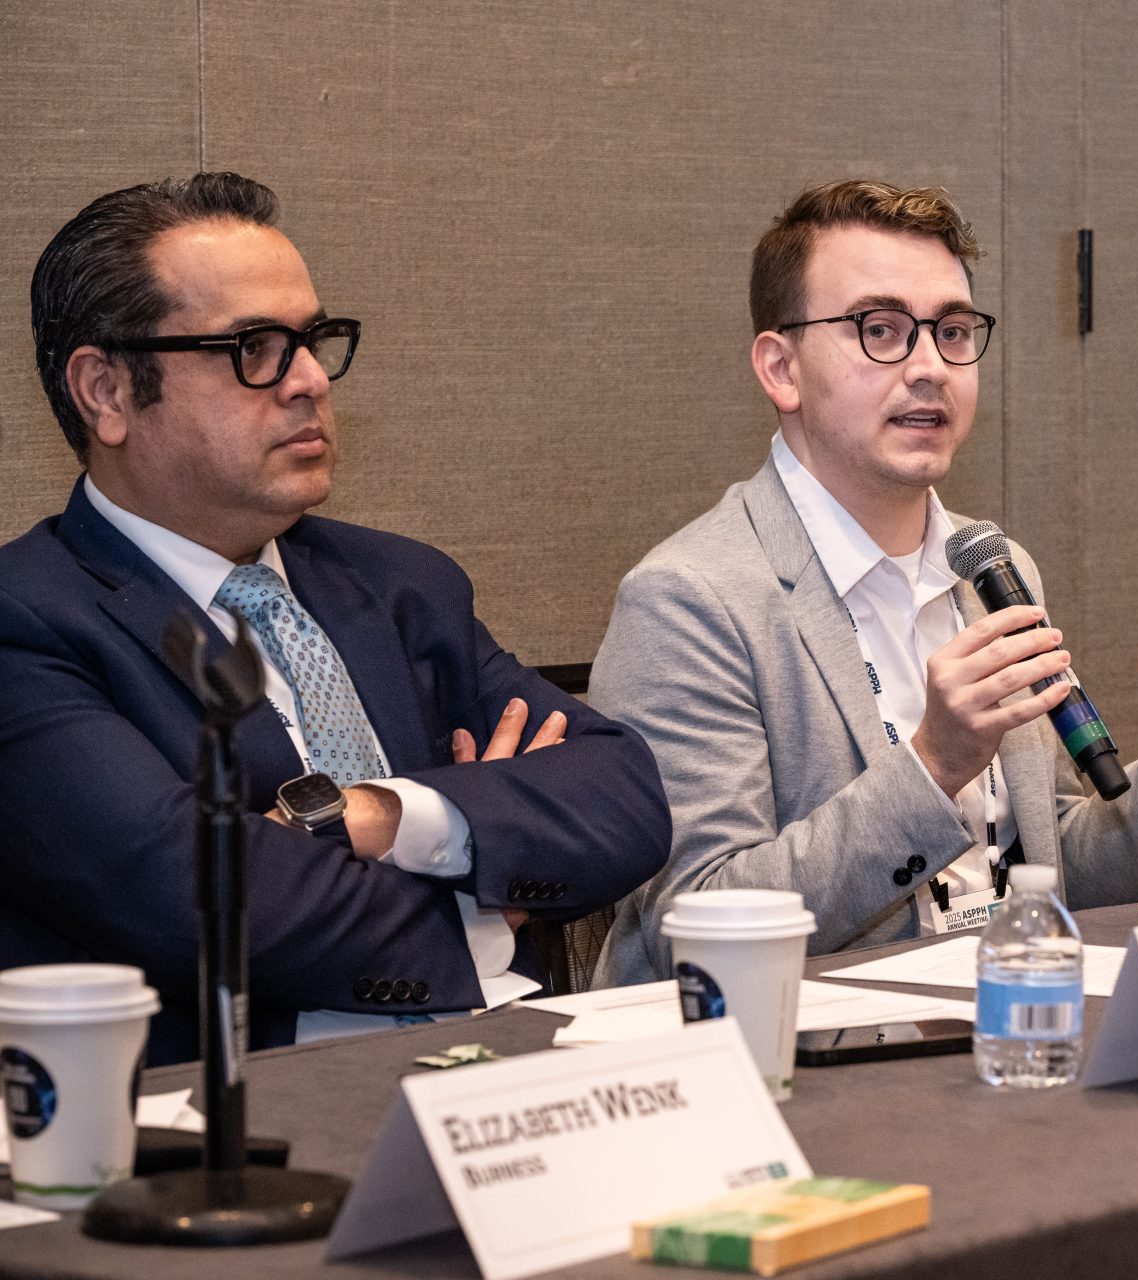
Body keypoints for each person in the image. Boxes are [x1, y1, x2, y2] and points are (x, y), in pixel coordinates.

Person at [0, 174, 672, 1063]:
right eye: (255, 348)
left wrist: (385, 815)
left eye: (313, 340)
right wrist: (480, 888)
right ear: (108, 392)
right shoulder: (29, 621)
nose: (311, 380)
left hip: (503, 1082)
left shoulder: (400, 584)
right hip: (220, 1132)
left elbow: (625, 798)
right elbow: (215, 905)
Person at [590, 180, 1138, 982]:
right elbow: (699, 926)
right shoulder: (690, 600)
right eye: (880, 330)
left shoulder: (993, 569)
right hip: (794, 1069)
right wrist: (933, 765)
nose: (930, 368)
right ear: (781, 369)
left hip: (993, 1026)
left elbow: (1057, 876)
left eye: (952, 332)